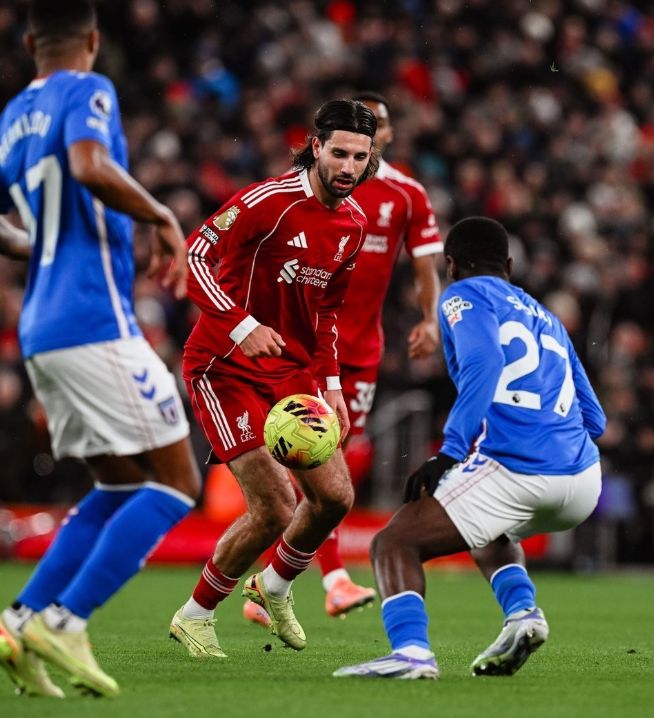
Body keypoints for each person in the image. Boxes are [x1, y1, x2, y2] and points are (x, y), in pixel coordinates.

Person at [0, 0, 201, 698]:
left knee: (117, 484)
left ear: (31, 41)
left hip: (40, 331)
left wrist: (43, 247)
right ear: (92, 39)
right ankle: (66, 619)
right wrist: (162, 213)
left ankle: (19, 620)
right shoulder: (89, 88)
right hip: (93, 320)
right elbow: (88, 165)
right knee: (177, 483)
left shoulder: (12, 116)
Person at [334, 216, 606, 679]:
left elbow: (484, 360)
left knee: (393, 543)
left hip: (516, 467)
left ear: (451, 265)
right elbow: (595, 419)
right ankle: (522, 614)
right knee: (489, 528)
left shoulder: (462, 294)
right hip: (583, 480)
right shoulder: (547, 317)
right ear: (510, 266)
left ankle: (411, 654)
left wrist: (450, 451)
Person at [168, 99, 378, 658]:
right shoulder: (268, 201)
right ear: (316, 147)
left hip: (292, 372)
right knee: (275, 508)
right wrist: (241, 326)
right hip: (225, 366)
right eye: (339, 153)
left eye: (359, 157)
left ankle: (275, 585)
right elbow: (194, 257)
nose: (348, 167)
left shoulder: (354, 225)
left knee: (335, 497)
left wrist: (331, 385)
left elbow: (327, 313)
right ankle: (195, 615)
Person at [242, 91, 442, 625]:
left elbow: (425, 263)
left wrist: (430, 318)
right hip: (304, 348)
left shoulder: (406, 195)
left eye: (377, 129)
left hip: (361, 350)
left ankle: (274, 582)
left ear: (385, 137)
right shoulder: (311, 190)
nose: (353, 157)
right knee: (313, 458)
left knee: (336, 461)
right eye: (343, 148)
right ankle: (329, 580)